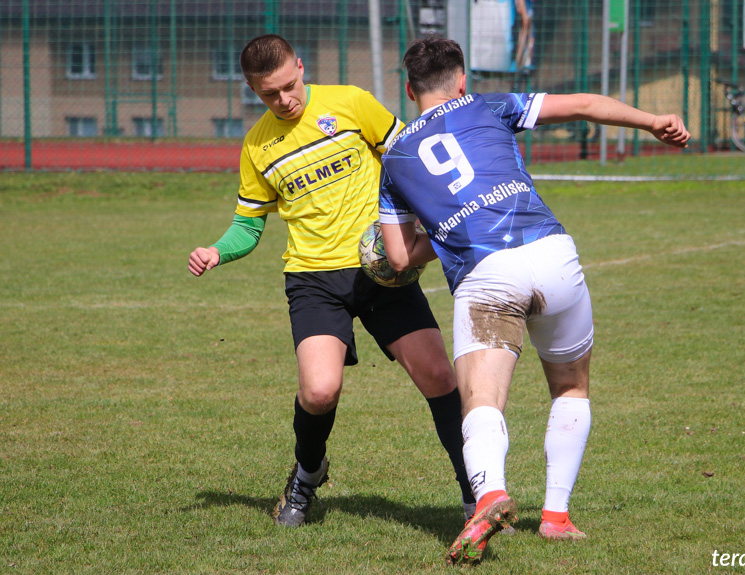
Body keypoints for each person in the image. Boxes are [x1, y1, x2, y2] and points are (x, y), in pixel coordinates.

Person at [378, 36, 690, 565]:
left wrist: (449, 223)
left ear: (409, 91)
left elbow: (399, 259)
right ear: (461, 81)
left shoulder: (395, 159)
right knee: (571, 387)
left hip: (485, 274)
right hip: (551, 254)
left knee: (481, 403)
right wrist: (652, 120)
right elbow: (586, 104)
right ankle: (557, 517)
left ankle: (492, 495)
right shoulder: (489, 105)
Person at [187, 34, 476, 529]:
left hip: (384, 270)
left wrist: (435, 218)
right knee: (319, 391)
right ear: (254, 92)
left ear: (301, 66)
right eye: (268, 95)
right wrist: (217, 249)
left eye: (287, 86)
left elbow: (411, 159)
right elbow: (249, 224)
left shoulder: (349, 102)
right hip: (313, 278)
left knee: (439, 377)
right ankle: (308, 473)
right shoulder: (257, 145)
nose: (283, 100)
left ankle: (476, 495)